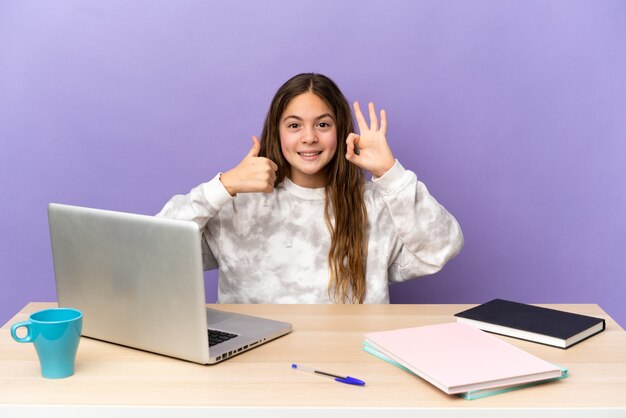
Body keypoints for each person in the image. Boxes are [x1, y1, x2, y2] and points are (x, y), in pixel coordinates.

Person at [158, 73, 463, 304]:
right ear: (276, 134)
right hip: (255, 367)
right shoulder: (239, 205)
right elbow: (160, 249)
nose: (308, 138)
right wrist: (223, 186)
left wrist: (390, 173)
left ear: (341, 131)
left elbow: (441, 248)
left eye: (322, 125)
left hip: (352, 365)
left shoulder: (376, 204)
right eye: (294, 125)